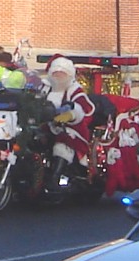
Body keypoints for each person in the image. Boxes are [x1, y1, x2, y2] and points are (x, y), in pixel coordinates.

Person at [40, 54, 96, 191]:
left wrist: (70, 113)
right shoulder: (45, 88)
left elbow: (86, 109)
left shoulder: (74, 90)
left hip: (71, 128)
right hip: (44, 124)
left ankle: (55, 178)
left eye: (62, 73)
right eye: (55, 73)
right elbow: (33, 101)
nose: (58, 76)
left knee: (62, 145)